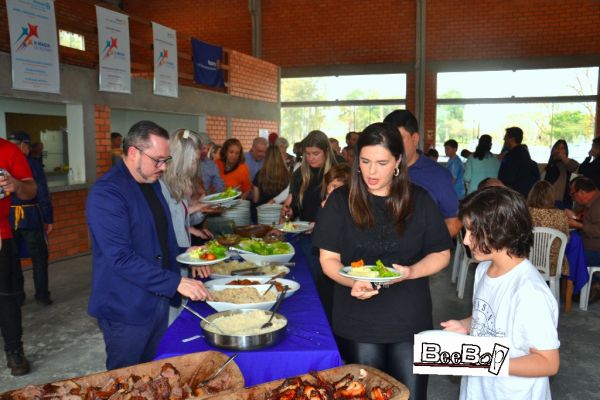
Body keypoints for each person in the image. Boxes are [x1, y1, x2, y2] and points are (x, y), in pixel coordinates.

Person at [313, 122, 452, 400]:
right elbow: (328, 259)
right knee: (363, 395)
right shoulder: (341, 201)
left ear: (398, 161)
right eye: (365, 161)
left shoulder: (419, 200)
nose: (372, 171)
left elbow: (441, 253)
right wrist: (352, 280)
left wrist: (412, 271)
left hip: (409, 317)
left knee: (411, 395)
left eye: (381, 162)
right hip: (357, 318)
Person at [86, 121, 211, 370]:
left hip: (157, 302)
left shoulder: (152, 183)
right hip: (125, 308)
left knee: (153, 374)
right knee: (126, 381)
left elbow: (159, 240)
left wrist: (185, 253)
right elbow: (120, 258)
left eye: (166, 160)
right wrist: (176, 282)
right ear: (133, 153)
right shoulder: (107, 193)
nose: (164, 168)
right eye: (158, 160)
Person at [442, 186, 560, 400]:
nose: (466, 240)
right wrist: (466, 325)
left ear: (501, 230)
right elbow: (489, 317)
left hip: (512, 392)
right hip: (479, 389)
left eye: (473, 232)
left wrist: (485, 363)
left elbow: (548, 362)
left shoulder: (529, 293)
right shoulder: (483, 270)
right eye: (465, 231)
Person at [282, 130, 338, 320]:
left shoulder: (337, 171)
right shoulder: (300, 173)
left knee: (326, 287)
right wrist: (291, 211)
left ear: (326, 152)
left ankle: (329, 323)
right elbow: (298, 205)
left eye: (316, 154)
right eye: (307, 154)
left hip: (332, 239)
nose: (311, 158)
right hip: (306, 237)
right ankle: (314, 319)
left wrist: (321, 222)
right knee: (310, 282)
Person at [384, 109, 460, 237]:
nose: (392, 146)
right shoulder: (377, 170)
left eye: (399, 139)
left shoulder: (438, 176)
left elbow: (453, 222)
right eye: (388, 140)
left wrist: (426, 247)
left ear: (414, 139)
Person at [0, 137, 37, 375]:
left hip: (1, 236)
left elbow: (30, 189)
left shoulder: (7, 150)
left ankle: (14, 350)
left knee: (7, 298)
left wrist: (16, 185)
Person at [8, 131, 54, 306]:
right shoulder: (32, 164)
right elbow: (42, 193)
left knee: (12, 259)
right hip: (31, 216)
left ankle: (18, 296)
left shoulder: (3, 163)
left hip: (8, 218)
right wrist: (48, 218)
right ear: (23, 145)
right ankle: (42, 296)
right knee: (39, 259)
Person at [527, 181, 570, 277]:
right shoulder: (561, 215)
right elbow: (566, 239)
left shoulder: (524, 213)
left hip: (528, 263)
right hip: (553, 265)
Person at [566, 177, 600, 266]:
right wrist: (575, 217)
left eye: (573, 193)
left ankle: (572, 279)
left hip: (595, 252)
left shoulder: (598, 205)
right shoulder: (592, 201)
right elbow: (588, 221)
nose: (571, 196)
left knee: (565, 256)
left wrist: (579, 225)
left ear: (582, 192)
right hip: (588, 246)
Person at [498, 127, 540, 198]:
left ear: (512, 139)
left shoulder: (510, 157)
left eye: (506, 137)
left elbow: (505, 179)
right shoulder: (528, 159)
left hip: (512, 198)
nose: (504, 139)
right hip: (527, 197)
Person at [544, 139, 579, 209]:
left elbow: (574, 166)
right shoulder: (551, 163)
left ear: (566, 151)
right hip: (548, 197)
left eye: (562, 148)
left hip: (561, 200)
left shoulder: (565, 163)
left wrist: (563, 157)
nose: (559, 150)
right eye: (557, 148)